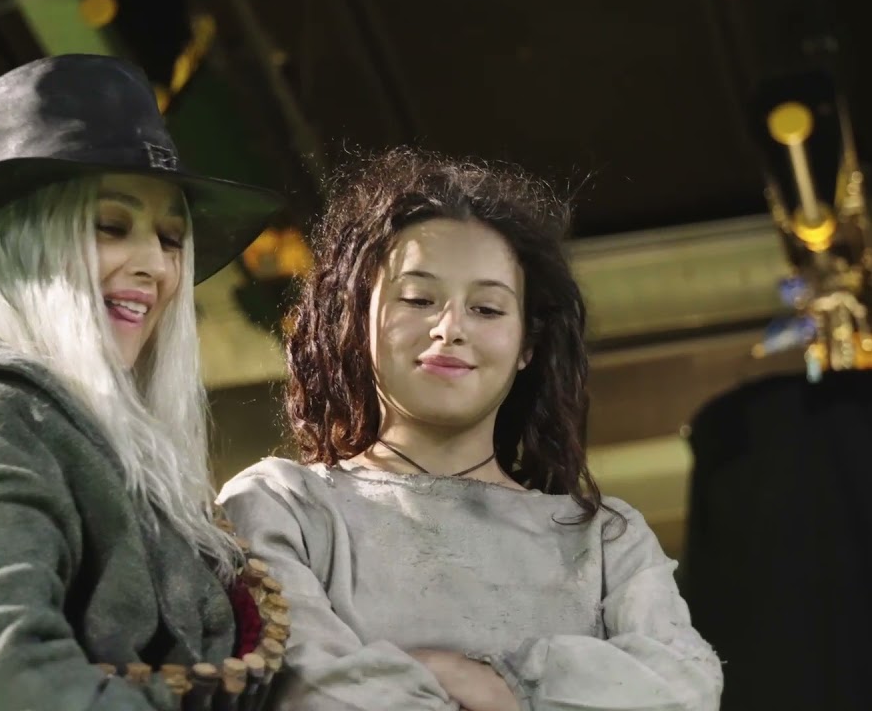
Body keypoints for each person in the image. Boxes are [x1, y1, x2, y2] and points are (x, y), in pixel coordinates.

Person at [0, 54, 283, 711]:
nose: (154, 265)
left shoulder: (71, 428)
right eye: (111, 226)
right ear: (22, 243)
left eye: (171, 239)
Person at [217, 148, 723, 710]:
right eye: (418, 298)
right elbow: (315, 692)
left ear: (527, 346)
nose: (450, 328)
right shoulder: (282, 505)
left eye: (487, 309)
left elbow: (686, 687)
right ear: (358, 319)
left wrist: (503, 683)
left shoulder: (605, 538)